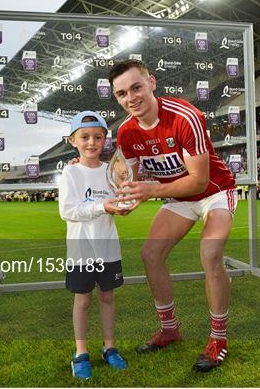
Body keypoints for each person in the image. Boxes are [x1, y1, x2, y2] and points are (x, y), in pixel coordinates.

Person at [109, 59, 237, 372]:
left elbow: (199, 181)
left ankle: (218, 339)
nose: (131, 98)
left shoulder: (185, 116)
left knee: (210, 253)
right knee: (151, 255)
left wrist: (150, 191)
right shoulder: (126, 132)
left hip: (213, 192)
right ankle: (169, 329)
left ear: (151, 82)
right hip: (177, 197)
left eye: (136, 87)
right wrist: (127, 196)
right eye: (122, 93)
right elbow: (133, 176)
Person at [59, 111, 130, 380]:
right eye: (85, 137)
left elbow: (118, 200)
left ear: (105, 140)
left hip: (108, 247)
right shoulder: (71, 171)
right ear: (73, 140)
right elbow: (68, 211)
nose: (91, 142)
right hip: (82, 250)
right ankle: (81, 353)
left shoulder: (111, 171)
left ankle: (109, 348)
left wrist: (123, 205)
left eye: (97, 137)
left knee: (108, 297)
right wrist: (104, 205)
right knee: (83, 300)